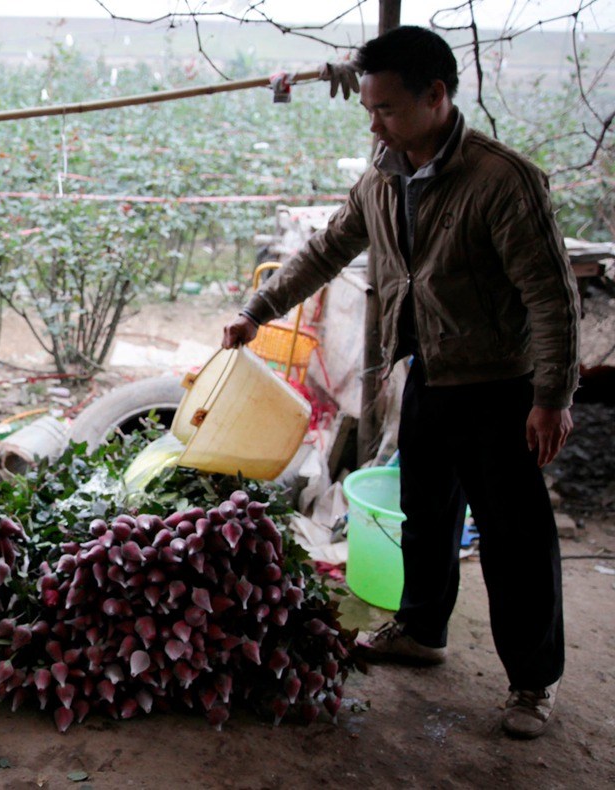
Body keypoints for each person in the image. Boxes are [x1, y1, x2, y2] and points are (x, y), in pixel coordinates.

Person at [223, 26, 579, 739]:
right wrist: (256, 310)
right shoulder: (383, 177)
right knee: (425, 513)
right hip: (427, 377)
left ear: (436, 96)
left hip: (498, 386)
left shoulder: (500, 180)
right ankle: (422, 630)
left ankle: (532, 683)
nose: (373, 120)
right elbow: (328, 250)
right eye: (368, 106)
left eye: (385, 107)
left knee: (514, 536)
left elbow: (551, 296)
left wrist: (551, 398)